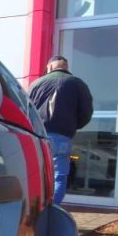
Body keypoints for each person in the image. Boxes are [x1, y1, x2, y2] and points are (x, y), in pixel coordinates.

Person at [28, 55, 94, 205]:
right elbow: (86, 112)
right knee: (59, 176)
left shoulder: (36, 84)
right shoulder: (77, 84)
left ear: (50, 67)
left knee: (36, 176)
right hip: (62, 136)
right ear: (66, 67)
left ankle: (35, 211)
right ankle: (52, 210)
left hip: (37, 136)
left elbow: (26, 109)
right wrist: (72, 126)